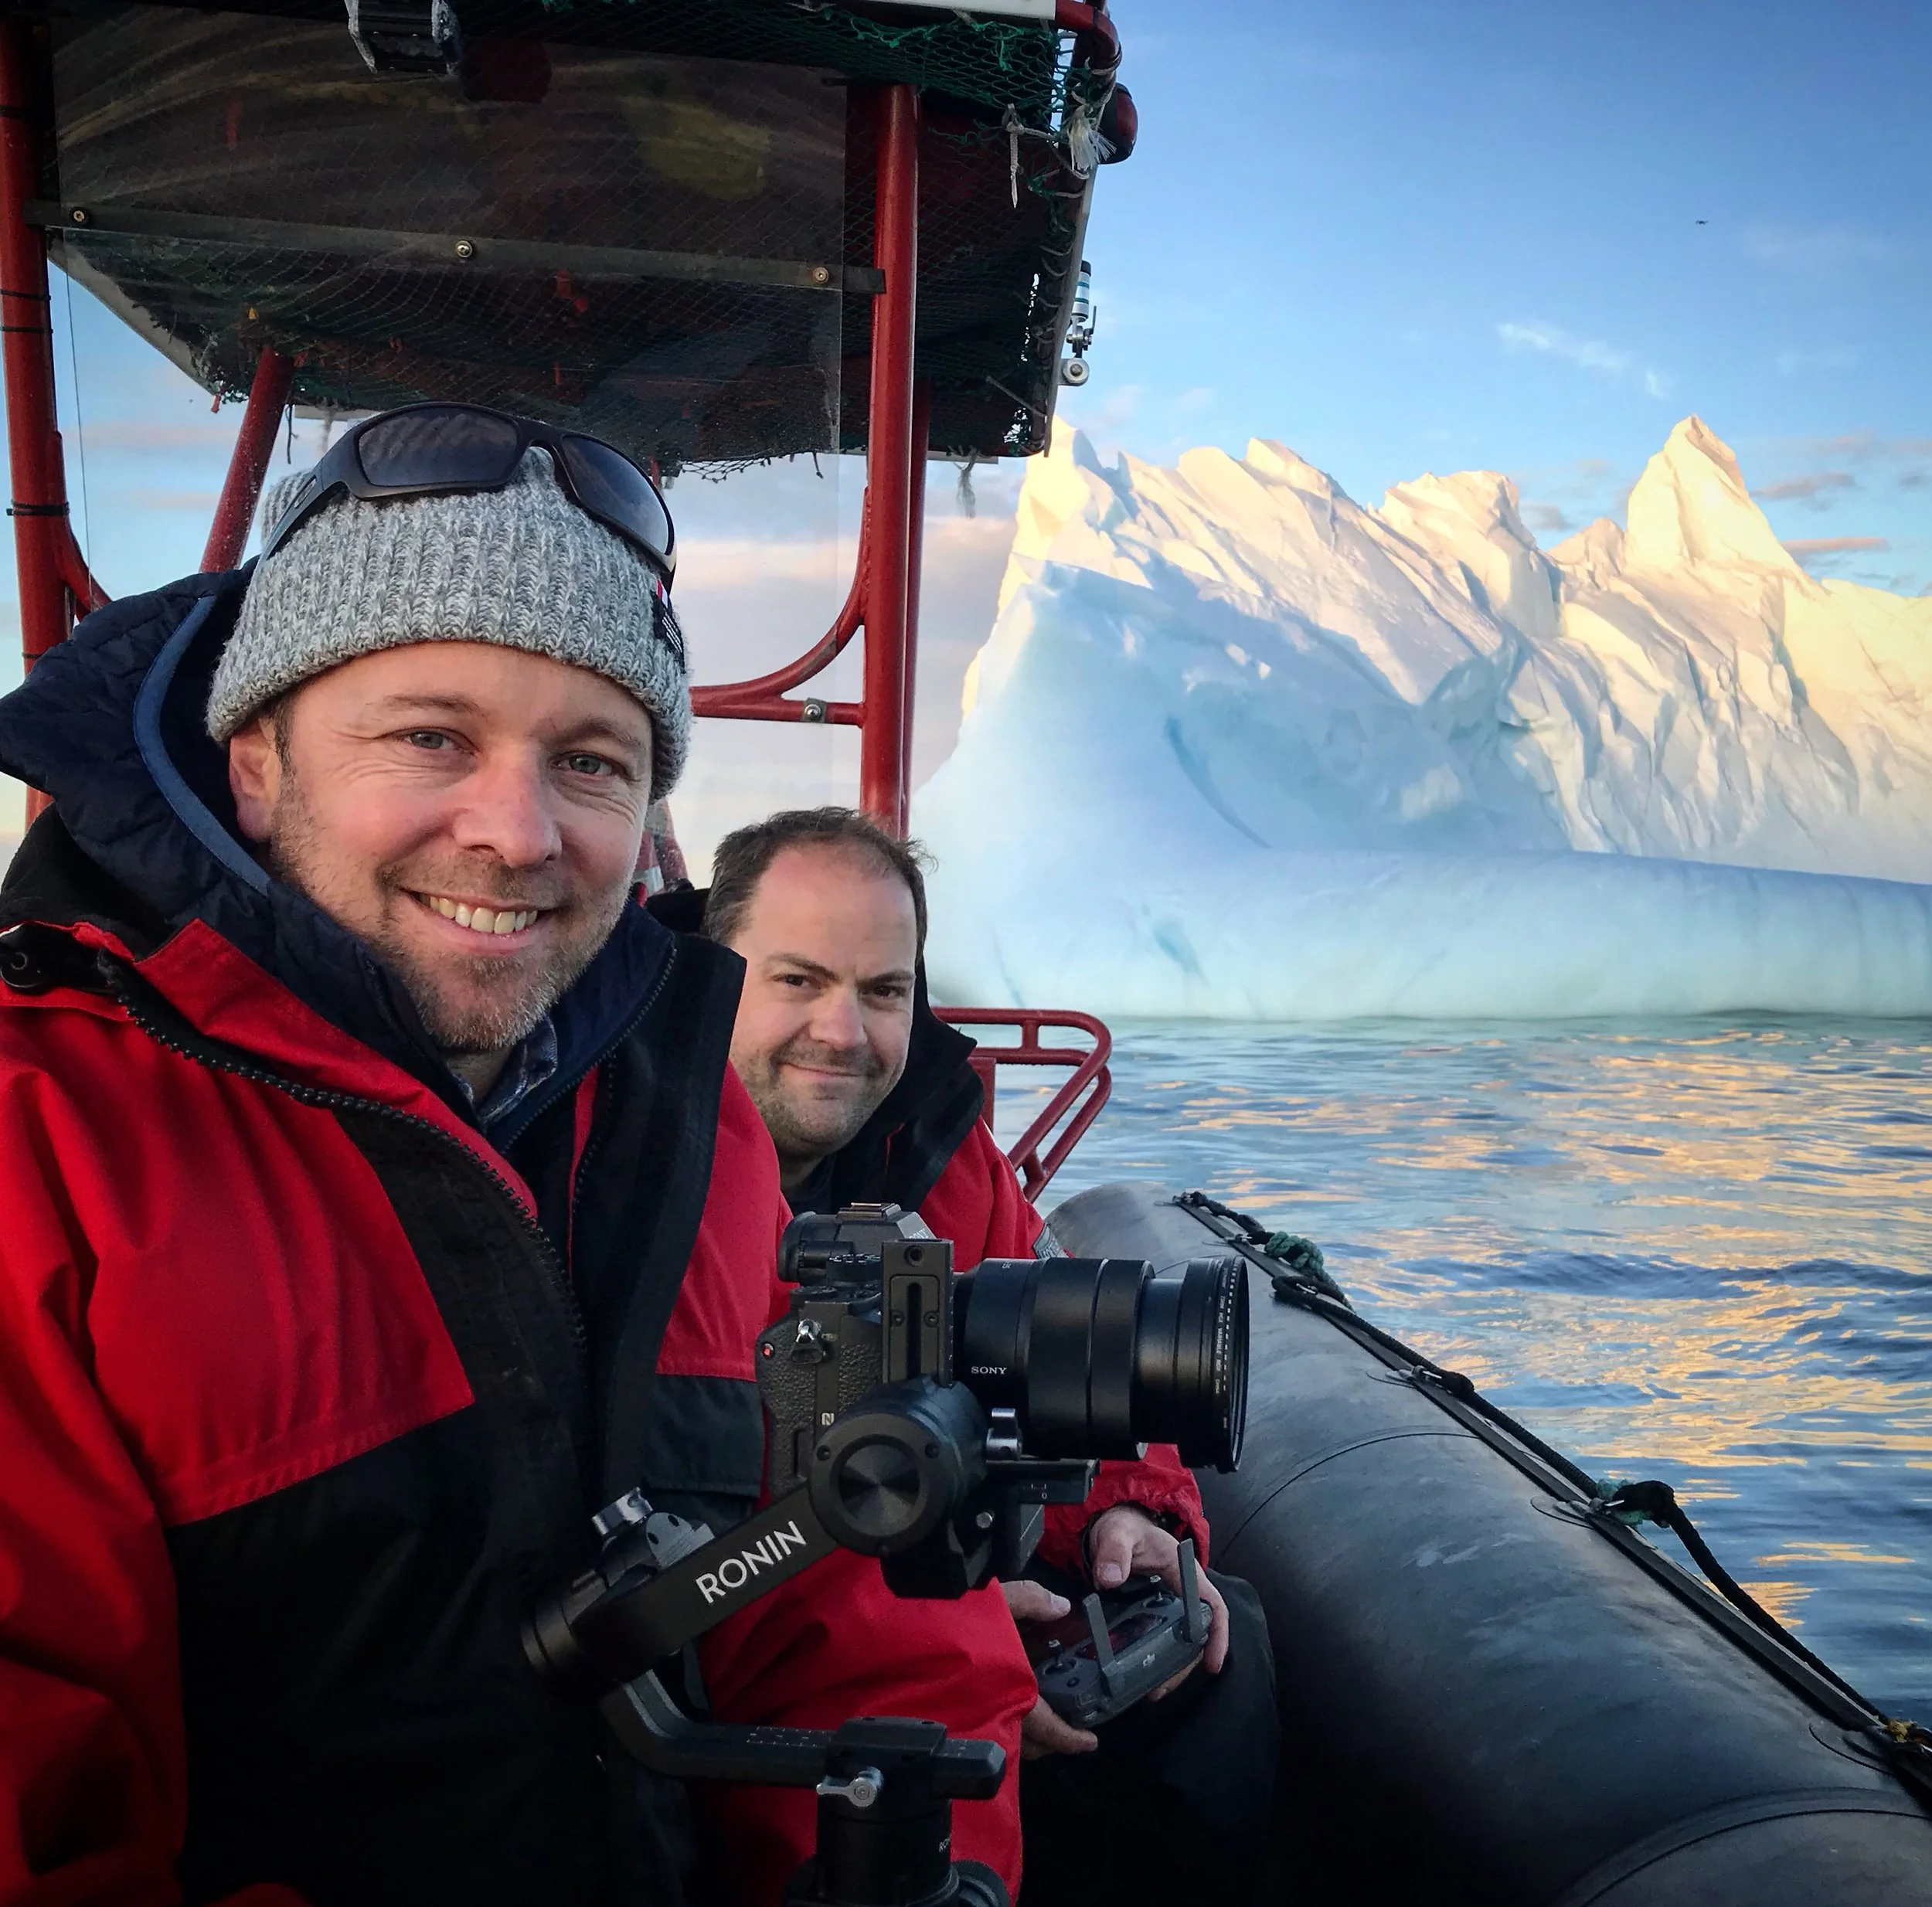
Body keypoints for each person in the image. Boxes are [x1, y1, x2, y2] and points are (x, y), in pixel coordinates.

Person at [0, 411, 1032, 1906]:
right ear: (256, 764)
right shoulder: (46, 1149)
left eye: (595, 760)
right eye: (431, 736)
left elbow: (848, 1616)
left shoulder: (692, 1123)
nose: (517, 829)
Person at [663, 807, 1281, 1907]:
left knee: (1215, 1644)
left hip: (941, 1554)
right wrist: (963, 1618)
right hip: (750, 1591)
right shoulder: (648, 1162)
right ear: (715, 974)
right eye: (798, 981)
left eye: (883, 991)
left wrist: (1131, 1519)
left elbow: (1060, 1344)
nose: (844, 1032)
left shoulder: (945, 1148)